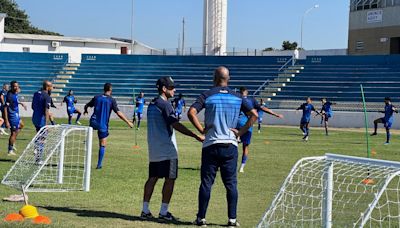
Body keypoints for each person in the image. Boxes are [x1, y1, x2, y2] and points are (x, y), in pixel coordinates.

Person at [188, 66, 258, 227]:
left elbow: (191, 112)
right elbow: (254, 115)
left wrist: (201, 130)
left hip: (211, 144)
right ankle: (232, 220)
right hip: (230, 145)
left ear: (214, 78)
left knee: (206, 183)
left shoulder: (207, 95)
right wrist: (240, 132)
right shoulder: (238, 97)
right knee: (231, 184)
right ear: (228, 79)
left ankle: (201, 218)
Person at [141, 77, 204, 222]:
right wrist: (195, 135)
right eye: (171, 87)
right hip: (167, 150)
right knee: (170, 179)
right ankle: (163, 212)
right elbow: (175, 124)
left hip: (154, 149)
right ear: (164, 89)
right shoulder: (165, 105)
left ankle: (145, 210)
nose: (174, 90)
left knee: (153, 178)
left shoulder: (152, 104)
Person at [84, 83, 134, 169]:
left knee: (88, 140)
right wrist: (128, 122)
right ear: (110, 89)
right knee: (102, 144)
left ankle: (86, 140)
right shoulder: (111, 100)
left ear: (104, 89)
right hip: (103, 124)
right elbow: (118, 113)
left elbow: (87, 105)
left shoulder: (96, 97)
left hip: (93, 122)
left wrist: (85, 110)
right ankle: (99, 164)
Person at [237, 87, 283, 173]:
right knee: (245, 147)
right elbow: (263, 108)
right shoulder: (251, 100)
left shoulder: (236, 99)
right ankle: (242, 167)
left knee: (232, 146)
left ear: (240, 92)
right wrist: (275, 114)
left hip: (237, 124)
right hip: (248, 125)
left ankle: (227, 164)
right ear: (246, 92)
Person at [3, 81, 27, 156]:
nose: (16, 88)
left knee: (21, 125)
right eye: (14, 86)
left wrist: (21, 103)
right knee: (13, 133)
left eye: (17, 86)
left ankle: (13, 142)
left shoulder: (15, 93)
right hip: (12, 116)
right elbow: (5, 108)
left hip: (16, 114)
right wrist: (6, 121)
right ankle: (10, 150)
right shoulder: (10, 96)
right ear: (11, 87)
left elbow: (15, 101)